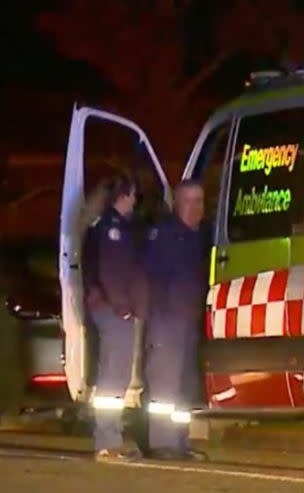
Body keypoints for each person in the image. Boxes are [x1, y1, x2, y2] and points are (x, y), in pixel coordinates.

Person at [83, 174, 150, 463]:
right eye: (133, 195)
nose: (135, 201)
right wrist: (123, 306)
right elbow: (110, 271)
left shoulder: (115, 227)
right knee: (113, 377)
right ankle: (106, 443)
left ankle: (111, 440)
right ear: (123, 196)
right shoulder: (112, 229)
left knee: (116, 375)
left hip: (112, 308)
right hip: (112, 310)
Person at [142, 180, 209, 460]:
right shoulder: (164, 234)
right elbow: (151, 277)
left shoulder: (201, 236)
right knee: (164, 386)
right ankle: (161, 443)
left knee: (184, 386)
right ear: (176, 204)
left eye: (199, 202)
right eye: (188, 201)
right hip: (166, 319)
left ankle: (180, 442)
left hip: (191, 321)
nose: (194, 208)